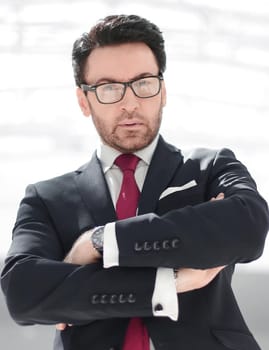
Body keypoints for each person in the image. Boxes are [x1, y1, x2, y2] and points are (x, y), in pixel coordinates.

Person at [1, 14, 268, 350]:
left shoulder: (209, 168)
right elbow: (24, 291)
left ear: (163, 90)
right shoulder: (47, 199)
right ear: (84, 101)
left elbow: (248, 226)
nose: (130, 103)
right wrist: (168, 284)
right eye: (109, 87)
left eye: (143, 82)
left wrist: (101, 242)